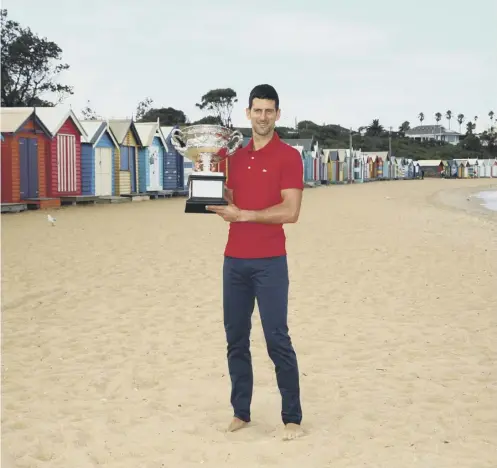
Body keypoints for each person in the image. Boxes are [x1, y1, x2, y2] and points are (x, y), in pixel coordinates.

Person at [206, 84, 304, 441]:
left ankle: (291, 417)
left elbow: (290, 211)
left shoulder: (289, 156)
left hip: (270, 263)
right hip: (234, 262)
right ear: (247, 113)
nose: (263, 117)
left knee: (277, 337)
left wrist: (243, 214)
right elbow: (229, 198)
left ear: (278, 114)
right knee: (236, 339)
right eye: (257, 110)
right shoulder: (234, 157)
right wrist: (206, 181)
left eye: (269, 111)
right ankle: (241, 413)